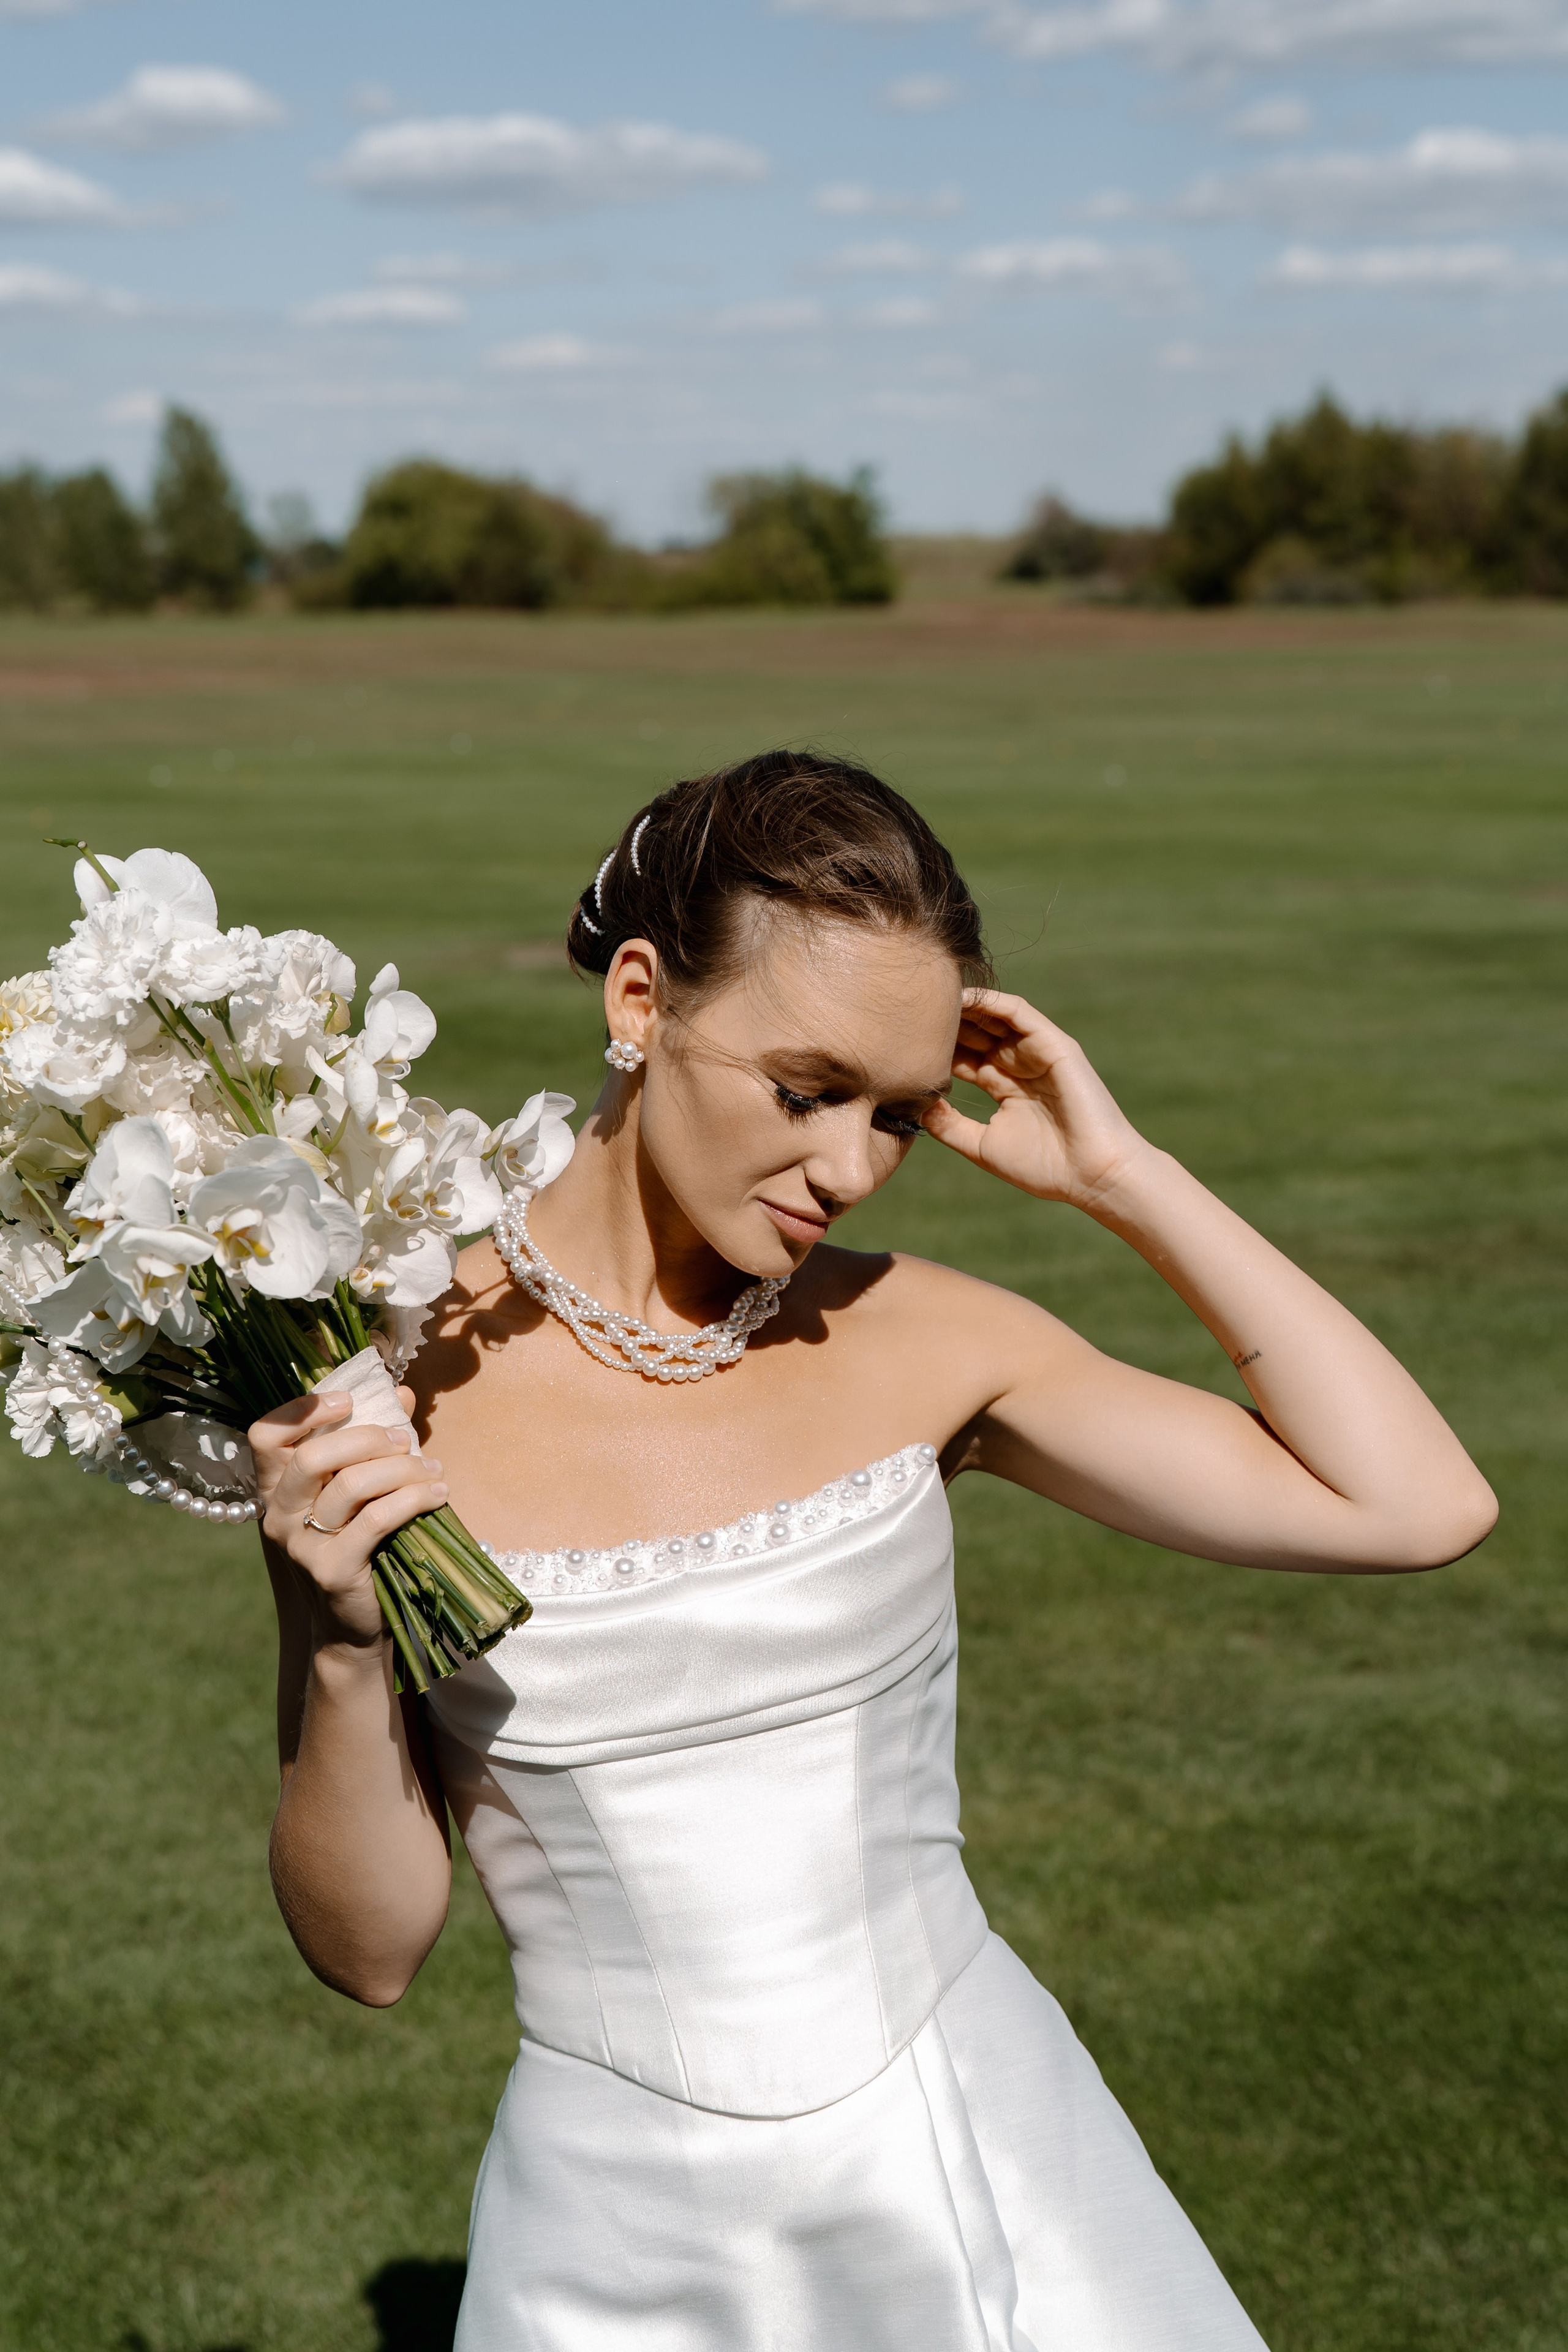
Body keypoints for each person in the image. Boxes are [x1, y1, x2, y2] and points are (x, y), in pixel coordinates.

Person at [252, 751, 1495, 2352]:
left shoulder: (926, 1340)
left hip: (983, 2159)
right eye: (806, 1090)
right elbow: (369, 1955)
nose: (850, 1169)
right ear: (640, 999)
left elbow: (1415, 1508)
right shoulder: (384, 1390)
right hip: (626, 2246)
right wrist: (341, 1645)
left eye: (898, 1114)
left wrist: (1126, 1180)